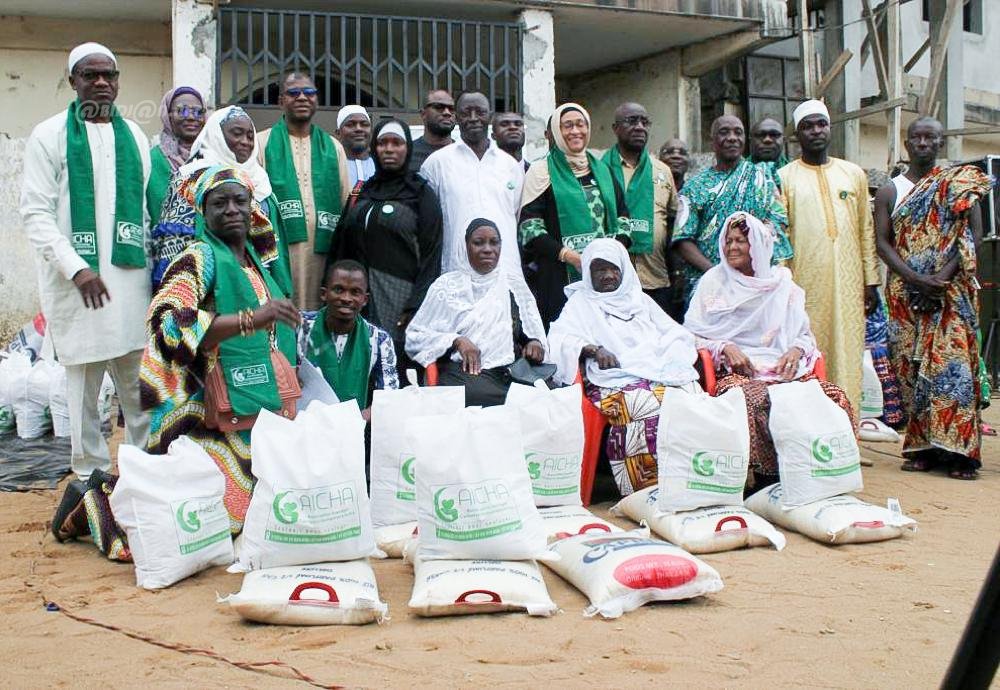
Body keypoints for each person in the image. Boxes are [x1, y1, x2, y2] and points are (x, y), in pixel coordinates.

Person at [49, 165, 301, 555]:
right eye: (220, 203)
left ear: (253, 209)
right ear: (203, 211)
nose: (232, 209)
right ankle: (94, 502)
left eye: (240, 201)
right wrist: (251, 319)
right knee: (190, 519)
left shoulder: (256, 261)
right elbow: (167, 320)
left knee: (240, 515)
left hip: (251, 401)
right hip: (201, 408)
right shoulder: (199, 258)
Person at [20, 42, 151, 484]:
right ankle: (90, 477)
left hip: (132, 283)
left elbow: (144, 213)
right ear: (73, 81)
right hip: (79, 285)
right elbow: (34, 214)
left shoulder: (134, 136)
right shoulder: (49, 134)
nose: (101, 82)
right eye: (90, 74)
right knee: (83, 392)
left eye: (109, 75)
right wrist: (77, 267)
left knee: (138, 388)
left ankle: (141, 473)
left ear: (117, 82)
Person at [685, 212, 855, 488]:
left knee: (832, 397)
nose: (732, 247)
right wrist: (724, 346)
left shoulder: (783, 285)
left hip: (784, 370)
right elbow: (691, 334)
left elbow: (803, 335)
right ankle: (767, 480)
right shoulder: (714, 282)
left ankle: (818, 472)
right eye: (728, 241)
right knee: (752, 399)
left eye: (741, 240)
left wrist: (796, 351)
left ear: (759, 246)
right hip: (739, 372)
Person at [874, 116, 990, 479]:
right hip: (907, 295)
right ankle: (924, 448)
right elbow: (882, 242)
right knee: (912, 371)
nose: (923, 143)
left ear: (940, 143)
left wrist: (939, 279)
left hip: (951, 294)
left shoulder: (957, 183)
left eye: (931, 138)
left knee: (952, 371)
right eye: (917, 138)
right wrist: (915, 279)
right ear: (907, 144)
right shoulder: (890, 190)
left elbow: (974, 235)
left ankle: (962, 454)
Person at [547, 239, 699, 496]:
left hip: (654, 371)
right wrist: (594, 349)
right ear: (588, 273)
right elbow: (559, 338)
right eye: (599, 270)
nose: (607, 276)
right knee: (645, 405)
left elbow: (675, 333)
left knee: (690, 398)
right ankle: (646, 488)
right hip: (611, 381)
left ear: (624, 269)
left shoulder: (639, 300)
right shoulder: (581, 303)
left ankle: (689, 481)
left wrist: (667, 356)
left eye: (613, 269)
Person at [779, 99, 880, 413]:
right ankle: (813, 429)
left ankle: (847, 430)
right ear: (798, 134)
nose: (815, 131)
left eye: (820, 124)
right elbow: (781, 238)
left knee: (848, 353)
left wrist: (871, 280)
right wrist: (782, 288)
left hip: (850, 287)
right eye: (807, 126)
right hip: (805, 286)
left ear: (830, 128)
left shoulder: (853, 174)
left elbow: (866, 228)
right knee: (810, 350)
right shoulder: (784, 177)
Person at [328, 118, 444, 374]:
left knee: (394, 369)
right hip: (357, 301)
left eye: (397, 142)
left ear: (408, 148)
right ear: (374, 147)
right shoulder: (363, 191)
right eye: (382, 143)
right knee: (357, 367)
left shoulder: (421, 194)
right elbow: (340, 245)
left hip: (400, 303)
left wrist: (416, 306)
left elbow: (432, 255)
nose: (389, 149)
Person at [405, 219, 546, 406]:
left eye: (494, 242)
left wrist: (534, 343)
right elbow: (416, 337)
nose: (487, 249)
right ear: (466, 246)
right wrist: (456, 340)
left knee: (548, 397)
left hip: (509, 372)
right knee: (474, 398)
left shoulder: (513, 286)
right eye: (478, 243)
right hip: (466, 374)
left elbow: (529, 331)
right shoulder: (446, 286)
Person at [151, 106, 291, 295]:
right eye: (237, 134)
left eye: (250, 136)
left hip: (259, 288)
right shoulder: (191, 179)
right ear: (216, 134)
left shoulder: (261, 181)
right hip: (211, 287)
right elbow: (173, 245)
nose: (245, 142)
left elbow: (275, 250)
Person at [519, 103, 630, 327]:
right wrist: (572, 257)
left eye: (581, 125)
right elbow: (530, 229)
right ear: (556, 132)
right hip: (559, 274)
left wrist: (610, 253)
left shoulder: (603, 170)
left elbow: (624, 219)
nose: (575, 131)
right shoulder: (542, 172)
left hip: (605, 276)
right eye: (567, 126)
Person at [673, 115, 790, 303]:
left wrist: (749, 269)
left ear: (745, 140)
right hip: (709, 284)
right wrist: (718, 274)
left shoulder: (762, 179)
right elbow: (683, 239)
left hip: (755, 283)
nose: (732, 137)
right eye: (724, 132)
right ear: (713, 141)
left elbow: (778, 221)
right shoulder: (695, 187)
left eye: (738, 132)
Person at [258, 72, 351, 309]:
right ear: (281, 101)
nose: (302, 97)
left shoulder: (333, 147)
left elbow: (345, 204)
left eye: (309, 93)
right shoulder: (262, 143)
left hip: (322, 252)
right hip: (278, 252)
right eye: (293, 93)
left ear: (316, 101)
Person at [420, 91, 526, 276]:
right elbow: (429, 223)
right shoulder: (437, 163)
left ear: (490, 116)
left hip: (505, 270)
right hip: (457, 270)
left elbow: (516, 213)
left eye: (480, 112)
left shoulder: (510, 165)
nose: (473, 118)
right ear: (456, 117)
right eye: (466, 112)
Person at [602, 102, 678, 314]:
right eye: (631, 121)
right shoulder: (600, 169)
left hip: (655, 278)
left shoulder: (662, 171)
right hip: (612, 281)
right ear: (615, 128)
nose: (640, 127)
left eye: (645, 122)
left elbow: (672, 222)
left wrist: (676, 272)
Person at [299, 260, 399, 420]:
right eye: (339, 290)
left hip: (352, 429)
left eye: (355, 292)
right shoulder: (299, 327)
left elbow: (389, 397)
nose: (346, 298)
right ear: (324, 293)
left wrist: (356, 420)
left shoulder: (379, 340)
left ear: (365, 299)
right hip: (303, 425)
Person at [147, 86, 205, 227]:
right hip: (162, 244)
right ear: (168, 115)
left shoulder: (214, 159)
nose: (191, 117)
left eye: (198, 112)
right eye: (182, 111)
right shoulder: (151, 159)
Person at [409, 89, 455, 173]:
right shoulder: (407, 154)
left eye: (451, 108)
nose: (447, 112)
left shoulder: (464, 154)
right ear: (423, 114)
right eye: (438, 107)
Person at [336, 104, 375, 189]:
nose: (359, 129)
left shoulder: (381, 166)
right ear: (338, 133)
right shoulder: (330, 166)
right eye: (350, 124)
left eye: (364, 124)